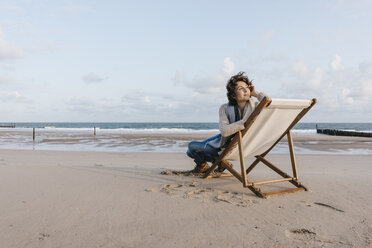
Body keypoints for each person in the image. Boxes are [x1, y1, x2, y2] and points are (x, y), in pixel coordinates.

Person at [186, 71, 269, 173]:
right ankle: (218, 163)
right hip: (224, 139)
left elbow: (268, 101)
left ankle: (208, 164)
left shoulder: (255, 107)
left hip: (234, 145)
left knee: (191, 147)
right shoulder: (225, 108)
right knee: (189, 152)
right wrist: (244, 122)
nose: (245, 90)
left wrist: (255, 93)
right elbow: (224, 131)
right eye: (240, 88)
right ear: (233, 95)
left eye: (247, 87)